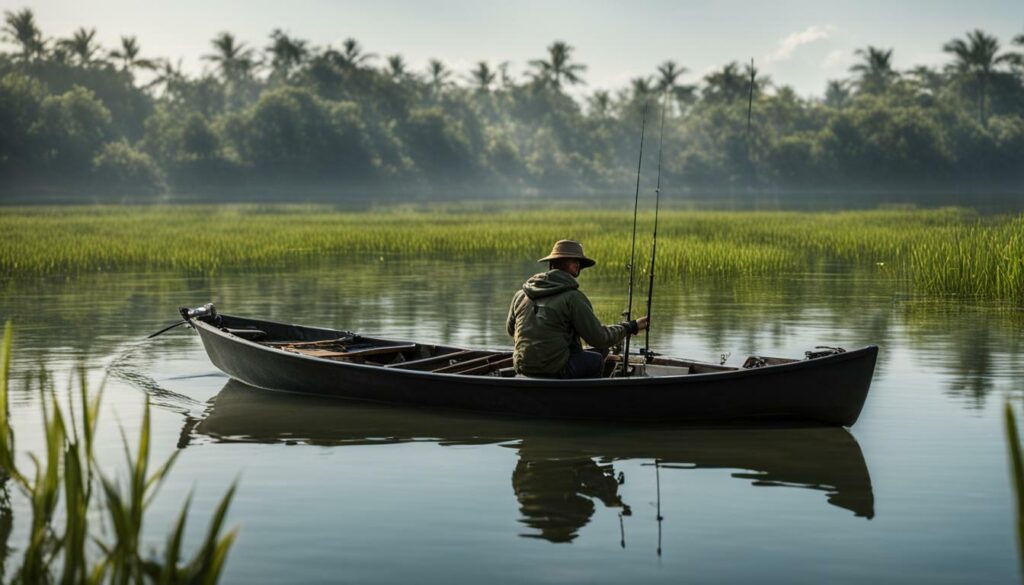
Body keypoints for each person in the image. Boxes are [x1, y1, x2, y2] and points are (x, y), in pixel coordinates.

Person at [506, 239, 649, 378]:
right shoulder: (573, 297)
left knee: (599, 351)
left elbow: (512, 330)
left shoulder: (520, 294)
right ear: (574, 267)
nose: (578, 265)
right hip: (556, 369)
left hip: (522, 366)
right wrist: (631, 326)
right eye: (576, 261)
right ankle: (585, 399)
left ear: (551, 264)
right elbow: (599, 338)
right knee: (596, 360)